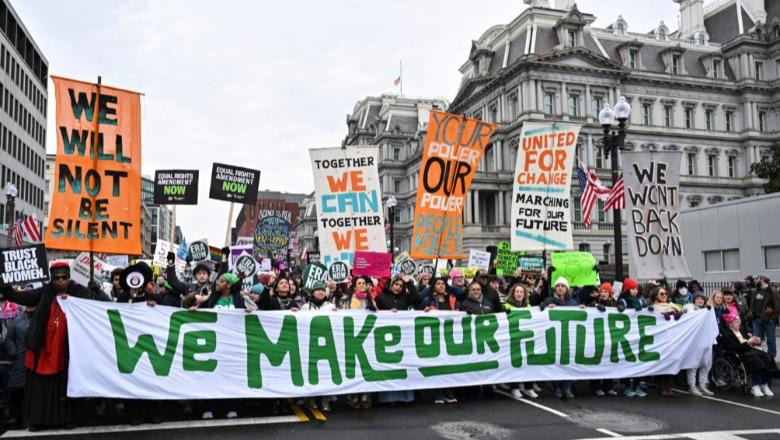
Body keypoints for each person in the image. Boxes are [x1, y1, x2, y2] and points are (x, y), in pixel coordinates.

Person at [0, 262, 100, 430]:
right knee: (41, 390)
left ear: (69, 278)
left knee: (66, 387)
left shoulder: (79, 292)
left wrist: (96, 290)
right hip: (43, 351)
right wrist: (5, 284)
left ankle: (68, 419)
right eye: (57, 278)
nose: (61, 282)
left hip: (68, 352)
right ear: (52, 280)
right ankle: (38, 421)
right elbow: (19, 297)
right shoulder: (43, 293)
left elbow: (98, 306)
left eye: (64, 278)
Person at [374, 275, 419, 405]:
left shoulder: (406, 297)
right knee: (389, 367)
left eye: (401, 286)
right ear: (391, 284)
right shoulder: (381, 297)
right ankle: (389, 398)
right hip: (385, 338)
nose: (398, 288)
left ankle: (405, 397)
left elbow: (417, 298)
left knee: (403, 366)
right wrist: (387, 313)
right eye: (396, 284)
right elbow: (372, 310)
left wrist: (409, 282)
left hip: (403, 337)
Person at [298, 282, 336, 411]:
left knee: (326, 372)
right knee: (312, 372)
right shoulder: (305, 307)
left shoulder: (331, 307)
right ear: (312, 292)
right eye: (317, 290)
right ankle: (312, 398)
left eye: (322, 290)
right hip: (310, 344)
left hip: (327, 344)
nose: (320, 292)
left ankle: (325, 399)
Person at [718, 313, 775, 397]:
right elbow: (733, 347)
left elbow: (746, 340)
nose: (739, 324)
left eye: (739, 322)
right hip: (738, 353)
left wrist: (754, 340)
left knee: (767, 358)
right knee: (757, 360)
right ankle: (756, 385)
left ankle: (765, 384)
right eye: (736, 323)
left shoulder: (740, 331)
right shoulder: (727, 333)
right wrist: (748, 342)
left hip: (748, 350)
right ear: (730, 324)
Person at [542, 277, 579, 399]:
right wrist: (545, 308)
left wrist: (584, 310)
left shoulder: (573, 303)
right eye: (558, 286)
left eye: (563, 286)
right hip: (553, 337)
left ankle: (567, 388)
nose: (560, 288)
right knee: (556, 362)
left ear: (567, 289)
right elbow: (540, 313)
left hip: (568, 338)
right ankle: (556, 387)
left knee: (568, 362)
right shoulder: (548, 301)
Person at [503, 283, 538, 399]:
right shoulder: (506, 306)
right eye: (517, 292)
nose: (519, 294)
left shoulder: (528, 306)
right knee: (515, 364)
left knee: (529, 363)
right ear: (513, 293)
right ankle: (515, 388)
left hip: (526, 339)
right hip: (512, 339)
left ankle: (528, 387)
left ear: (524, 294)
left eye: (521, 292)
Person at [649, 286, 680, 397]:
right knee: (663, 362)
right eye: (662, 294)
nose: (665, 295)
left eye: (666, 293)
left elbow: (683, 314)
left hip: (673, 338)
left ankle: (669, 386)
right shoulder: (653, 307)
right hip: (661, 339)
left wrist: (679, 315)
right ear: (656, 296)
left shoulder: (672, 306)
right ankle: (662, 386)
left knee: (672, 362)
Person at [4, 305, 32, 426]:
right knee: (17, 387)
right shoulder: (17, 320)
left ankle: (32, 415)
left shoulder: (41, 317)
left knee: (35, 387)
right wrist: (13, 351)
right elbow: (9, 339)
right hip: (20, 357)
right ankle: (16, 414)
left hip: (38, 358)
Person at [682, 292, 714, 396]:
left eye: (702, 299)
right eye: (698, 298)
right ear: (694, 300)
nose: (700, 300)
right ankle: (692, 385)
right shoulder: (691, 309)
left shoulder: (707, 310)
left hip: (706, 340)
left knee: (705, 363)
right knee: (693, 364)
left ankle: (703, 385)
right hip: (694, 341)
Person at [591, 283, 618, 397]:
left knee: (609, 362)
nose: (603, 294)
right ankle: (596, 386)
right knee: (598, 362)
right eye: (601, 291)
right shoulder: (594, 303)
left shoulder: (614, 304)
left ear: (610, 293)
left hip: (610, 337)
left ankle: (609, 386)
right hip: (598, 336)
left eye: (605, 292)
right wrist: (596, 306)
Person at [748, 276, 777, 360]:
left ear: (762, 280)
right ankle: (758, 355)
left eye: (757, 279)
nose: (755, 280)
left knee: (771, 340)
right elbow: (753, 304)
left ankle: (771, 357)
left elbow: (777, 306)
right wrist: (750, 313)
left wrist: (772, 319)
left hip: (769, 320)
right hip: (756, 319)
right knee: (756, 339)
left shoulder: (772, 291)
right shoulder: (756, 290)